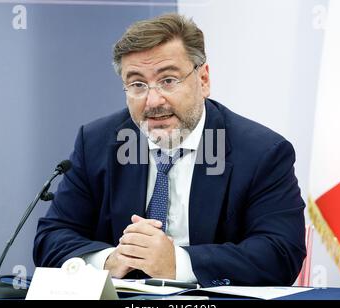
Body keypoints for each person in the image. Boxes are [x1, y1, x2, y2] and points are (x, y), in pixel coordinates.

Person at [33, 13, 306, 287]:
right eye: (138, 84)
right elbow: (51, 238)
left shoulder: (261, 152)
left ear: (203, 80)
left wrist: (177, 263)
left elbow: (281, 253)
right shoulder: (96, 142)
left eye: (168, 80)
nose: (153, 101)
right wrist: (110, 260)